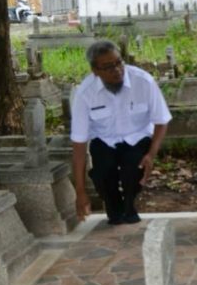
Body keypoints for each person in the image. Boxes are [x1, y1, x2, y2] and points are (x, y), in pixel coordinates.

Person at [70, 40, 171, 224]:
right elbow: (78, 144)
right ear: (95, 70)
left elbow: (161, 120)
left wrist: (151, 154)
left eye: (118, 63)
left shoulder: (144, 81)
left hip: (137, 137)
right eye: (108, 67)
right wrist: (81, 192)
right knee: (102, 172)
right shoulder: (85, 93)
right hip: (104, 140)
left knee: (133, 168)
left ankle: (129, 205)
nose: (116, 70)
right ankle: (113, 205)